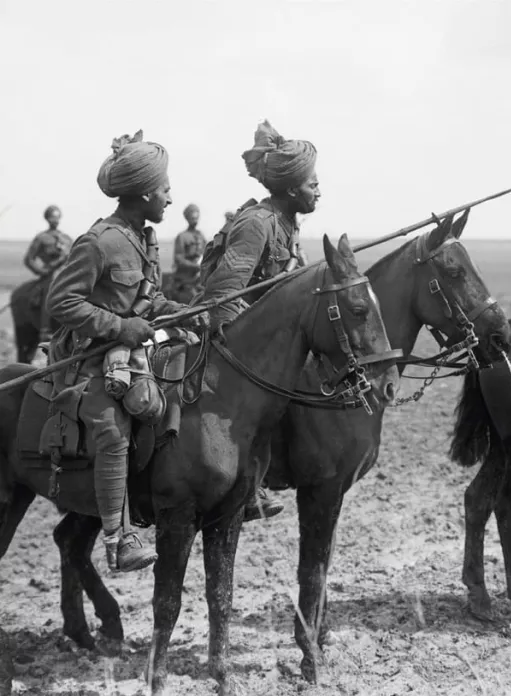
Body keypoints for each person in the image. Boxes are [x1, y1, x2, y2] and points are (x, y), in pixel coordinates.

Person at [46, 130, 208, 572]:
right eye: (166, 190)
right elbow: (61, 303)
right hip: (89, 360)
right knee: (114, 432)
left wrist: (184, 312)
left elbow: (147, 299)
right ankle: (118, 541)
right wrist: (120, 326)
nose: (171, 199)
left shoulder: (144, 238)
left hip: (132, 351)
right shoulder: (99, 242)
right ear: (144, 192)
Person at [199, 119, 321, 520]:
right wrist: (250, 349)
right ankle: (250, 482)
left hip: (274, 335)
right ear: (290, 189)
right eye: (311, 183)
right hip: (237, 338)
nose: (317, 189)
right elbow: (223, 293)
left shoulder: (287, 224)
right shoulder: (257, 224)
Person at [24, 205, 73, 341]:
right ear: (47, 219)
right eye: (52, 217)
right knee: (51, 285)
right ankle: (45, 328)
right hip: (50, 274)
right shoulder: (42, 238)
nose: (55, 220)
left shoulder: (66, 238)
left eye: (57, 217)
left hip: (66, 272)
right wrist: (41, 271)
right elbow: (29, 259)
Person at [171, 204, 207, 302]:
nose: (195, 220)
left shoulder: (201, 235)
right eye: (192, 217)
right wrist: (196, 266)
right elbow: (179, 259)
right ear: (187, 218)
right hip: (185, 281)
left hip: (199, 280)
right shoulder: (182, 236)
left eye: (196, 217)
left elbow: (207, 253)